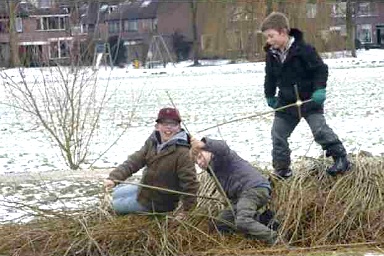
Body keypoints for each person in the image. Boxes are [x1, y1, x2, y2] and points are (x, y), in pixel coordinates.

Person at [260, 12, 351, 179]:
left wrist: (319, 90)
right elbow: (270, 77)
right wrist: (269, 95)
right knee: (278, 135)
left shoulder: (304, 50)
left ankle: (341, 159)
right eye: (267, 37)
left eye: (271, 36)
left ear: (283, 32)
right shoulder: (271, 55)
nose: (268, 41)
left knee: (320, 130)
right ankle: (282, 170)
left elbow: (320, 70)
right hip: (287, 103)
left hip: (310, 101)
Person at [103, 107, 199, 217]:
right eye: (164, 123)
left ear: (179, 127)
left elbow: (190, 184)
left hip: (157, 204)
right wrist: (113, 178)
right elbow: (134, 161)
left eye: (173, 124)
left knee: (111, 206)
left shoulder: (183, 152)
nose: (168, 127)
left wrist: (187, 211)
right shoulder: (153, 141)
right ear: (157, 126)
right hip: (144, 189)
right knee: (115, 193)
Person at [190, 137, 277, 245]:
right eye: (196, 162)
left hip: (254, 189)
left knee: (242, 220)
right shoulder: (213, 171)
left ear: (209, 151)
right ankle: (265, 221)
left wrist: (203, 144)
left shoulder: (222, 156)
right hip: (243, 196)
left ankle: (275, 239)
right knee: (222, 223)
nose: (199, 162)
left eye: (199, 156)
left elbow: (222, 146)